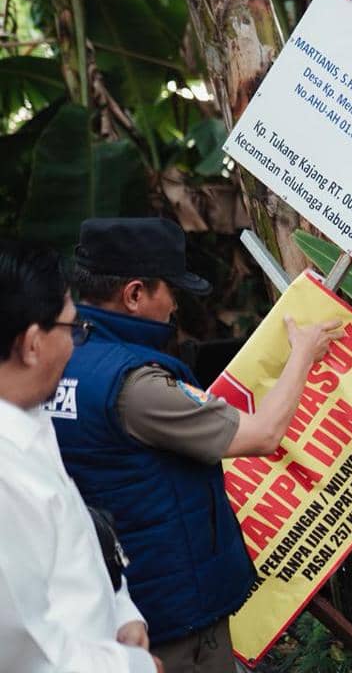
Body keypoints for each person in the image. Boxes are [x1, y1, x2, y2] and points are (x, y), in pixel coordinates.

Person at [47, 218, 341, 673]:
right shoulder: (135, 386)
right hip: (171, 623)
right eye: (171, 290)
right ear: (135, 294)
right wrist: (302, 352)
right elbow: (262, 434)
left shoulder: (58, 357)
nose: (175, 305)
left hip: (110, 606)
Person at [0, 238, 161, 673]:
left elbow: (72, 532)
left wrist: (120, 610)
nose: (75, 344)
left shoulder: (29, 413)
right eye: (73, 329)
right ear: (33, 343)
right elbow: (28, 652)